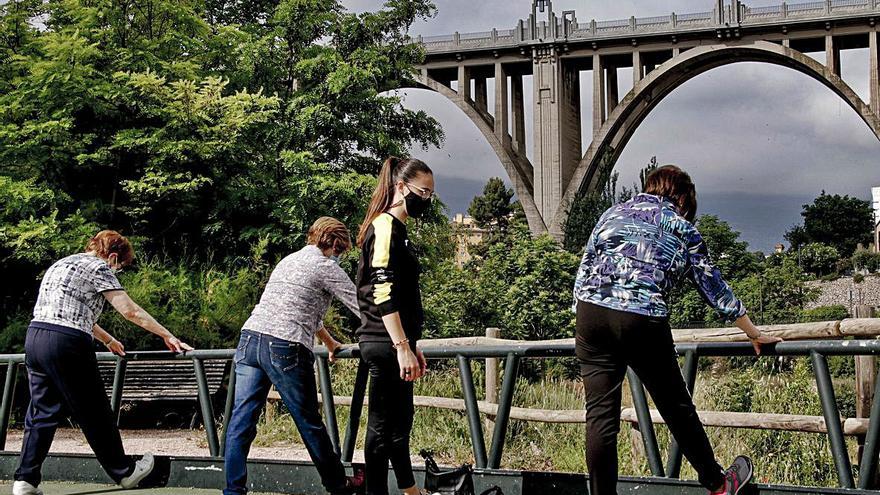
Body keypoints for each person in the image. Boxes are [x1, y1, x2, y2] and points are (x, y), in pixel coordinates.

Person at [572, 165, 782, 495]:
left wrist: (587, 322)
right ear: (682, 198)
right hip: (641, 317)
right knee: (675, 406)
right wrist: (752, 332)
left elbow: (584, 271)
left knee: (599, 416)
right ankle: (718, 483)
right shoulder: (681, 227)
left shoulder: (611, 213)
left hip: (591, 314)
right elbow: (714, 288)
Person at [13, 230, 193, 495]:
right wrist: (167, 335)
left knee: (41, 412)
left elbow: (72, 310)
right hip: (67, 342)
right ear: (112, 257)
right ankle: (125, 472)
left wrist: (108, 340)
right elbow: (130, 310)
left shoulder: (61, 264)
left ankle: (25, 479)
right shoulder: (100, 266)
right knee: (94, 409)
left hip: (36, 337)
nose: (118, 271)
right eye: (120, 266)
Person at [223, 217, 364, 495]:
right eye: (343, 250)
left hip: (250, 339)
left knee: (241, 421)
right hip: (285, 346)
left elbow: (299, 308)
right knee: (309, 421)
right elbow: (360, 305)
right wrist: (397, 338)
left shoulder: (287, 261)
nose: (342, 256)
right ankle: (337, 484)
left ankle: (233, 490)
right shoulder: (325, 266)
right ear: (335, 244)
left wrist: (330, 342)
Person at [356, 157, 432, 495]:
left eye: (431, 193)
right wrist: (402, 347)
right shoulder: (385, 226)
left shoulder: (399, 231)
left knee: (401, 423)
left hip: (398, 342)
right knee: (382, 427)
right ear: (401, 187)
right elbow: (382, 289)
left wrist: (412, 344)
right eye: (423, 191)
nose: (428, 199)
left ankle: (410, 490)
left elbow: (403, 296)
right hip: (384, 341)